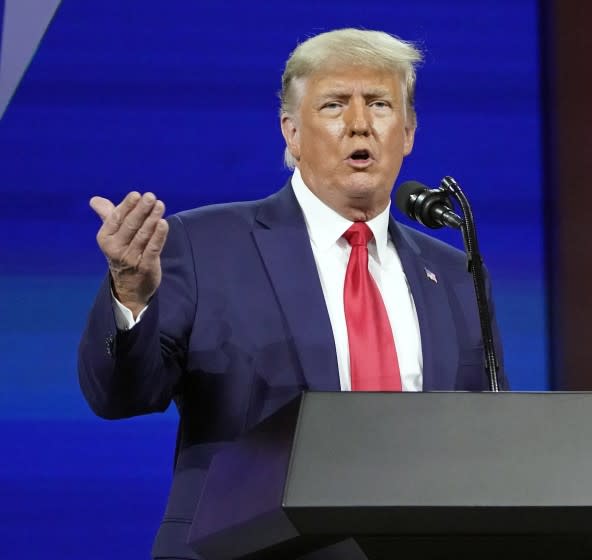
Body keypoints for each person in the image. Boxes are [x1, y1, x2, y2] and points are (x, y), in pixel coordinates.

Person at [78, 28, 507, 559]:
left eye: (379, 104)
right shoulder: (203, 245)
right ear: (291, 132)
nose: (359, 124)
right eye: (333, 105)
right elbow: (122, 396)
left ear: (409, 131)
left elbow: (488, 446)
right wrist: (130, 294)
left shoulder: (457, 273)